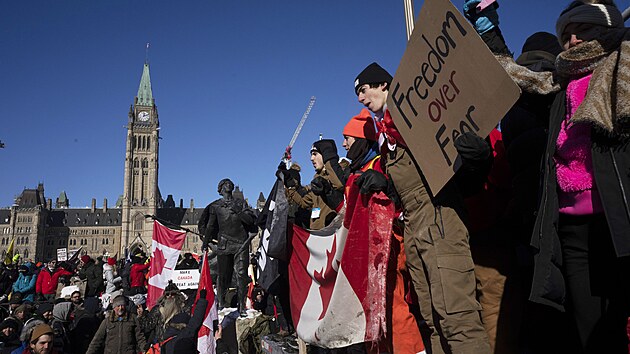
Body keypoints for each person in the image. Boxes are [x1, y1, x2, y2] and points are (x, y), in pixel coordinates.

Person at [353, 62, 490, 353]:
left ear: (383, 85)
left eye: (364, 90)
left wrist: (475, 159)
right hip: (415, 226)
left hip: (439, 217)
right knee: (433, 321)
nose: (362, 99)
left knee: (457, 318)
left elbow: (456, 173)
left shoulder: (417, 117)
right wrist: (386, 186)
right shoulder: (387, 138)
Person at [519, 1, 630, 352]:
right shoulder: (557, 87)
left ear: (605, 29)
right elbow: (512, 75)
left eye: (581, 28)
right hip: (571, 229)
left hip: (619, 221)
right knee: (591, 332)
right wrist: (487, 30)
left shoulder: (623, 65)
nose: (571, 40)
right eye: (565, 34)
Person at [341, 109, 426, 354]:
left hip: (386, 248)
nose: (344, 143)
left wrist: (386, 187)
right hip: (364, 255)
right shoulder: (353, 174)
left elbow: (403, 201)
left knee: (393, 308)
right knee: (374, 315)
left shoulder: (380, 163)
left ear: (361, 139)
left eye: (348, 137)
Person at [198, 178, 257, 312]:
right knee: (223, 276)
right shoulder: (215, 206)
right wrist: (206, 242)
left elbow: (249, 221)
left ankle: (241, 306)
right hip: (224, 244)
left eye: (229, 183)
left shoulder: (240, 203)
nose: (229, 184)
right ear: (221, 189)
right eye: (225, 183)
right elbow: (210, 226)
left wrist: (238, 210)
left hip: (241, 244)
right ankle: (222, 303)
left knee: (241, 276)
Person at [280, 139, 346, 231]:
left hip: (332, 234)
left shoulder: (339, 176)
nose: (311, 158)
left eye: (315, 154)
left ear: (325, 155)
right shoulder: (316, 181)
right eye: (311, 155)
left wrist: (329, 160)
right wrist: (290, 184)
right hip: (316, 234)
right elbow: (303, 202)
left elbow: (339, 185)